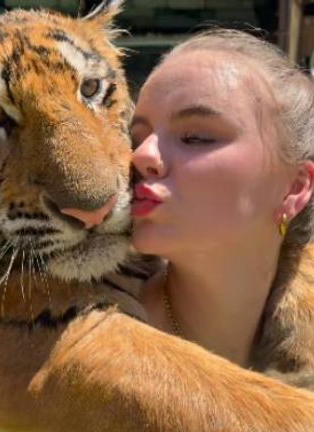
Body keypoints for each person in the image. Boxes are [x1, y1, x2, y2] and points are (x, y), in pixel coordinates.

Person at [130, 29, 314, 367]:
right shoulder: (84, 356)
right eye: (135, 138)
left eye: (195, 137)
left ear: (294, 188)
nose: (141, 155)